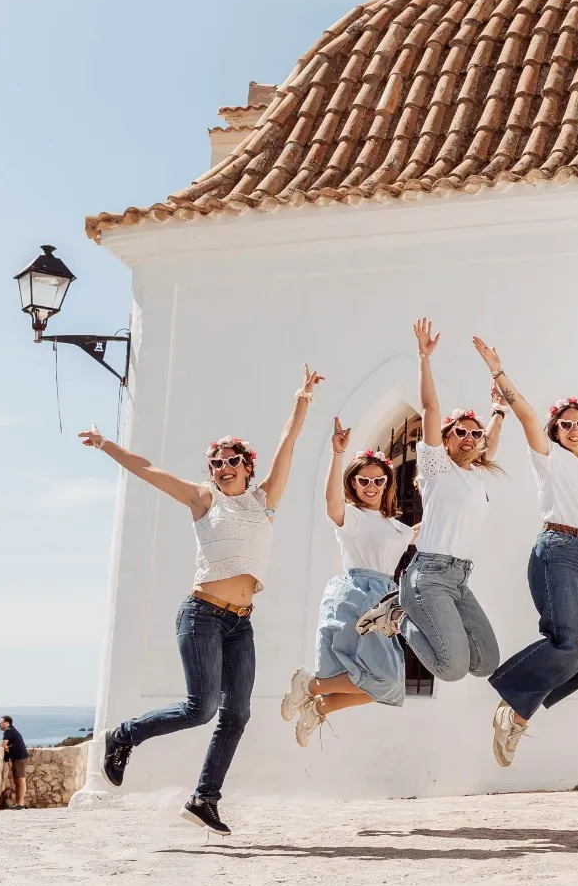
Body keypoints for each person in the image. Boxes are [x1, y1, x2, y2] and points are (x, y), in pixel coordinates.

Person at [82, 365, 323, 835]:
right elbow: (148, 471)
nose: (224, 467)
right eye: (216, 462)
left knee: (238, 713)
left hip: (241, 622)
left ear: (248, 467)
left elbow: (287, 443)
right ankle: (123, 736)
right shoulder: (203, 501)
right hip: (202, 616)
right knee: (201, 707)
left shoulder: (264, 501)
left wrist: (303, 398)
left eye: (233, 460)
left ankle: (204, 799)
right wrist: (105, 443)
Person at [470, 337, 578, 768]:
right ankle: (512, 704)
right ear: (555, 431)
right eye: (566, 424)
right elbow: (525, 411)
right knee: (566, 644)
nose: (574, 429)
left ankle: (519, 710)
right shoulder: (549, 458)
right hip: (556, 551)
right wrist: (497, 371)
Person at [357, 319, 506, 685]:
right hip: (429, 576)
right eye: (461, 431)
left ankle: (400, 612)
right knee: (452, 669)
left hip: (459, 578)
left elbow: (491, 442)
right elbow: (429, 407)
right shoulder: (437, 466)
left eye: (475, 432)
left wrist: (498, 410)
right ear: (446, 437)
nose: (470, 437)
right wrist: (424, 358)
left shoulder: (475, 475)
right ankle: (398, 617)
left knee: (485, 661)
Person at [281, 419, 417, 745]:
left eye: (378, 480)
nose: (371, 486)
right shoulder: (352, 517)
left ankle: (318, 703)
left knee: (389, 683)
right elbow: (331, 503)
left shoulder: (397, 528)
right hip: (357, 594)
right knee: (375, 675)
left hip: (386, 598)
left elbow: (427, 533)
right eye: (363, 480)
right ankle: (313, 685)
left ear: (387, 483)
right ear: (353, 484)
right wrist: (337, 453)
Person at [0, 716, 29, 809]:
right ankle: (19, 803)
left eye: (1, 723)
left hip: (19, 757)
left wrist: (6, 747)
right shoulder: (11, 730)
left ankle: (20, 804)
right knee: (17, 781)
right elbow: (6, 746)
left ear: (7, 723)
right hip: (17, 757)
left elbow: (3, 745)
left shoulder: (8, 730)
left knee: (21, 780)